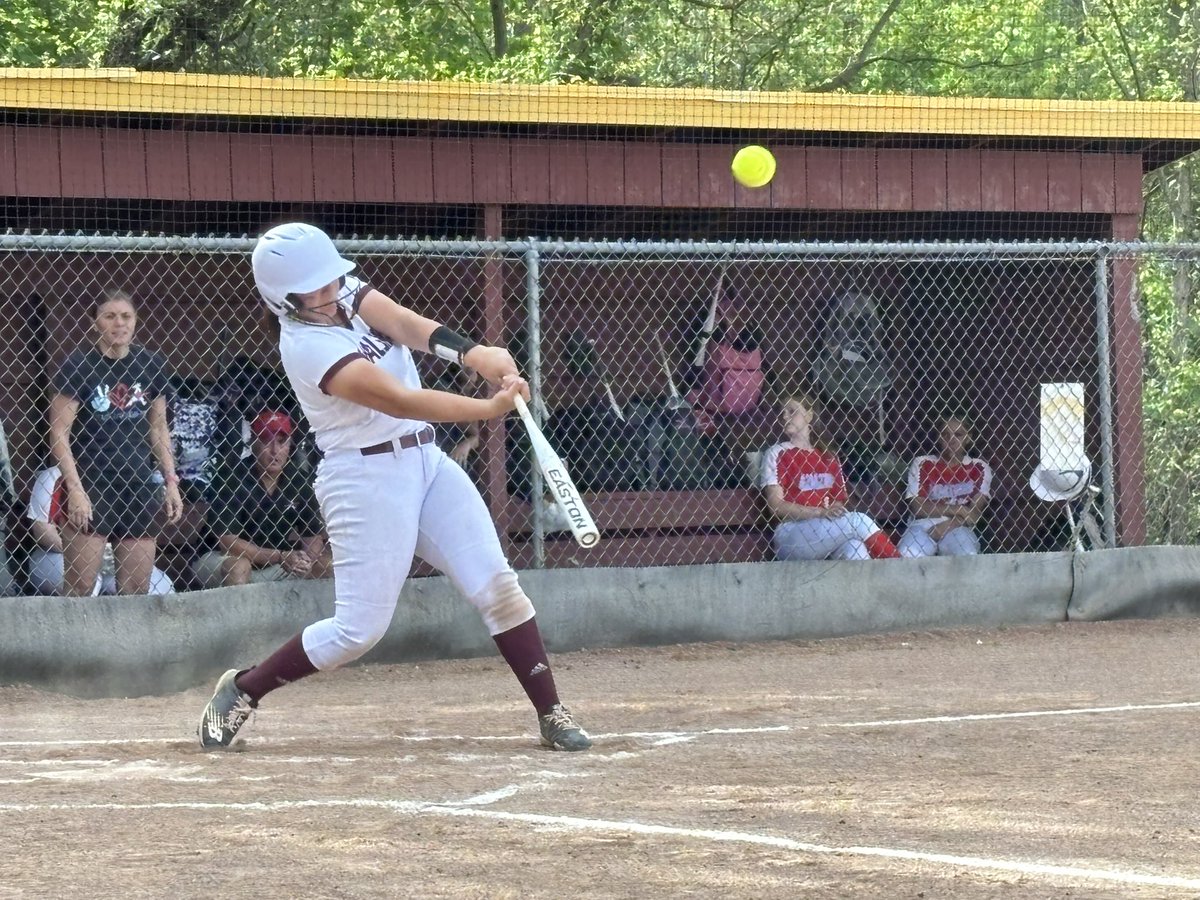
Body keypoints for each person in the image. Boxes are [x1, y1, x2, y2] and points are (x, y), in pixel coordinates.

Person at [197, 222, 591, 753]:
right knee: (357, 632)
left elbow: (406, 324)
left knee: (498, 586)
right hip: (364, 479)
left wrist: (475, 354)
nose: (324, 293)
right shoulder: (306, 345)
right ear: (281, 300)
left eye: (326, 281)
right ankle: (243, 688)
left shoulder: (345, 293)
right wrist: (487, 408)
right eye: (308, 290)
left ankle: (551, 711)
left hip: (425, 462)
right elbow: (400, 399)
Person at [49, 288, 183, 595]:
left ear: (135, 322)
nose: (118, 323)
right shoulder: (79, 365)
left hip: (137, 483)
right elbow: (58, 432)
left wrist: (171, 481)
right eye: (109, 316)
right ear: (95, 322)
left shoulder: (151, 364)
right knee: (81, 587)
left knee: (136, 589)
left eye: (126, 316)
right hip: (92, 483)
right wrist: (76, 490)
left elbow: (159, 428)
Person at [192, 409, 332, 588]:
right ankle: (241, 616)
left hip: (277, 562)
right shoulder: (233, 478)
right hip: (220, 557)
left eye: (282, 442)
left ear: (290, 444)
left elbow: (312, 538)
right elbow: (229, 543)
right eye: (267, 441)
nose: (275, 451)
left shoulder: (298, 480)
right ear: (253, 443)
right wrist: (280, 556)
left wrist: (305, 561)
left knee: (326, 565)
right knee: (239, 567)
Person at [761, 392, 901, 561]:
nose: (784, 416)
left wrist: (830, 512)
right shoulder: (777, 453)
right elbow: (776, 506)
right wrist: (819, 513)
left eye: (792, 411)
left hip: (825, 530)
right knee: (858, 521)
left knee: (855, 549)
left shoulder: (828, 457)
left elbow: (837, 501)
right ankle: (902, 566)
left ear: (809, 415)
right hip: (792, 532)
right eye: (782, 412)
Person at [25, 464, 175, 595]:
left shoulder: (134, 477)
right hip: (57, 556)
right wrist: (87, 554)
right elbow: (42, 532)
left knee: (163, 586)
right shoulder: (53, 475)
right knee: (89, 584)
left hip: (111, 561)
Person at [897, 416, 992, 558]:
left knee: (966, 554)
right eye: (945, 435)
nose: (951, 440)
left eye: (958, 435)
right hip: (923, 525)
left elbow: (973, 514)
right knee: (907, 553)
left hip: (958, 526)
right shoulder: (923, 463)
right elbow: (919, 508)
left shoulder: (979, 467)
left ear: (968, 438)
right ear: (938, 437)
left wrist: (948, 525)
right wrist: (959, 510)